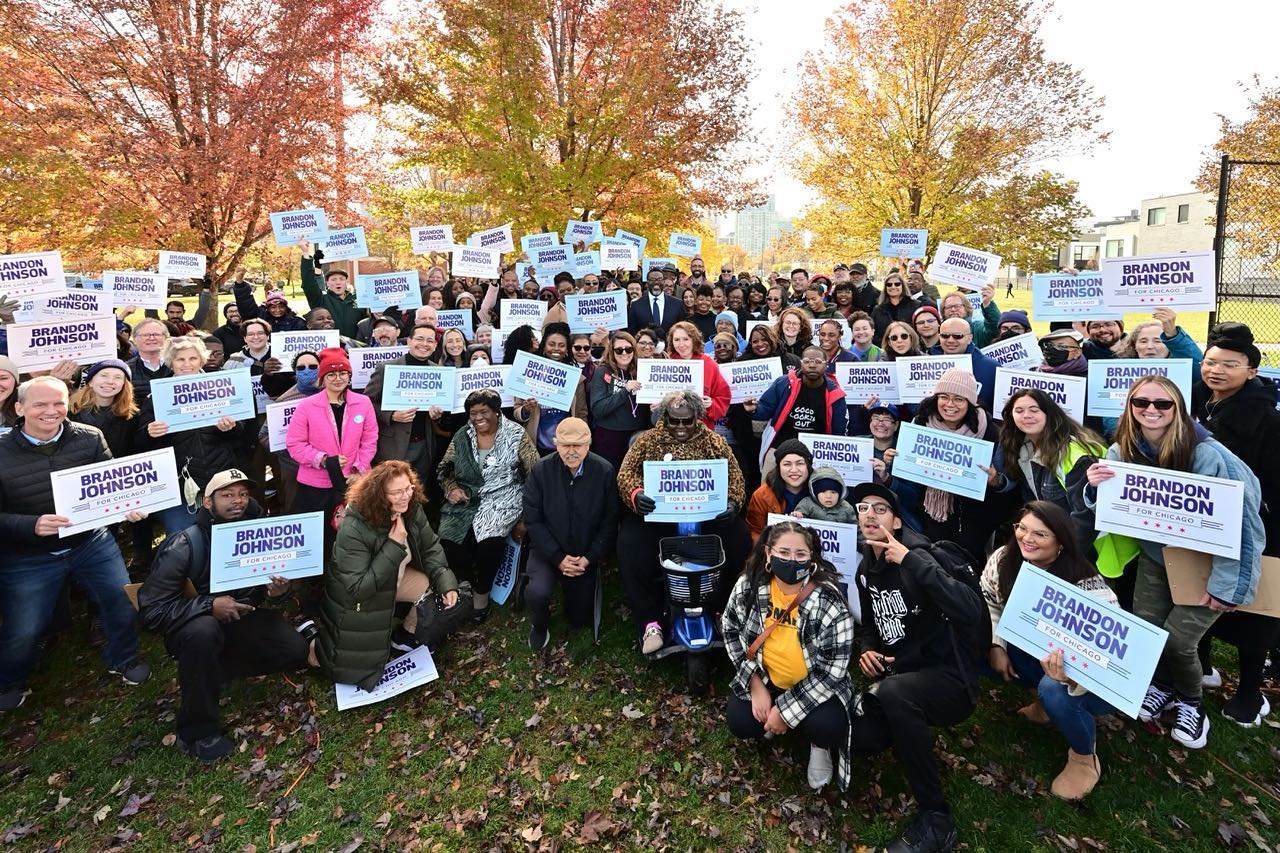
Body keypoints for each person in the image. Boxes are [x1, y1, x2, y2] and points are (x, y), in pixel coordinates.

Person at [1085, 376, 1264, 749]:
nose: (1151, 410)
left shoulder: (1209, 456)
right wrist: (1094, 487)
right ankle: (1164, 685)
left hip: (1208, 564)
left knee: (1180, 642)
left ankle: (1191, 702)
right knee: (1150, 632)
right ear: (1130, 408)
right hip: (1157, 559)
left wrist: (1229, 586)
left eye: (1162, 404)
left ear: (1178, 409)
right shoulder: (1123, 450)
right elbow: (1111, 509)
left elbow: (1245, 526)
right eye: (1141, 403)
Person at [0, 377, 151, 711]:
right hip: (27, 554)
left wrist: (127, 507)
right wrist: (31, 525)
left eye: (58, 403)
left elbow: (112, 483)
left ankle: (123, 658)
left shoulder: (89, 437)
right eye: (40, 404)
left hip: (89, 541)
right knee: (25, 627)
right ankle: (9, 680)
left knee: (119, 598)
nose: (51, 411)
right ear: (19, 408)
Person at [137, 469, 308, 762]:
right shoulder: (184, 545)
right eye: (227, 495)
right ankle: (197, 732)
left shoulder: (258, 531)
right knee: (203, 634)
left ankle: (215, 669)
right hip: (193, 626)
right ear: (207, 502)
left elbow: (261, 592)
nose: (237, 501)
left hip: (240, 620)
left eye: (242, 494)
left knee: (295, 650)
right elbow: (151, 612)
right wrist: (208, 606)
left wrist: (277, 593)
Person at [851, 481, 984, 853]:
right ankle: (907, 732)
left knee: (895, 693)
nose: (870, 515)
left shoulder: (921, 557)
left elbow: (970, 610)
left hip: (950, 680)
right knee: (863, 738)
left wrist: (912, 561)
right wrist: (868, 650)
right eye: (863, 508)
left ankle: (936, 819)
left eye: (880, 509)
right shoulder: (866, 569)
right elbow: (872, 627)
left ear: (896, 523)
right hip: (904, 676)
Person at [980, 501, 1118, 800]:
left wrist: (1071, 677)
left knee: (1054, 688)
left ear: (1060, 542)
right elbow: (989, 601)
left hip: (1086, 677)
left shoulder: (1087, 584)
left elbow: (1109, 657)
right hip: (1037, 655)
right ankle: (1045, 708)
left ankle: (1084, 756)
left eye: (1040, 535)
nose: (1027, 539)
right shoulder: (1004, 558)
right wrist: (996, 644)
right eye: (1022, 528)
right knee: (972, 643)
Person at [1191, 323, 1280, 727]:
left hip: (1257, 528)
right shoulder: (1191, 401)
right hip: (1198, 520)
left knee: (1255, 610)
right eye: (1210, 362)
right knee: (1199, 592)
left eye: (1230, 364)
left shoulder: (1268, 420)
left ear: (1251, 372)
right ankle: (1204, 666)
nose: (1216, 370)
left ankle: (1250, 690)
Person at [722, 521, 855, 791]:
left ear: (812, 558)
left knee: (829, 726)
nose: (791, 561)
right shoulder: (749, 585)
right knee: (740, 721)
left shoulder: (829, 599)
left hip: (816, 686)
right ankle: (771, 710)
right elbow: (729, 628)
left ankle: (818, 747)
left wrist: (786, 711)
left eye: (800, 555)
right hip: (767, 677)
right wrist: (755, 684)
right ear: (769, 554)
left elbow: (832, 671)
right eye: (783, 553)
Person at [615, 390, 748, 654]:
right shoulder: (647, 441)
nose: (680, 427)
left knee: (738, 539)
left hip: (706, 517)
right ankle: (650, 621)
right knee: (630, 544)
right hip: (659, 518)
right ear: (665, 417)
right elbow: (625, 474)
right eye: (674, 420)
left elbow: (736, 478)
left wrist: (732, 503)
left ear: (697, 418)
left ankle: (723, 610)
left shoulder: (714, 442)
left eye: (686, 421)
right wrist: (636, 494)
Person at [318, 460, 461, 688]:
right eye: (397, 492)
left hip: (395, 580)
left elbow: (430, 547)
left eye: (408, 488)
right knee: (337, 660)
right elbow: (358, 589)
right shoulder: (354, 526)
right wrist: (394, 544)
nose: (405, 496)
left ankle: (404, 636)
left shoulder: (411, 508)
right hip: (360, 599)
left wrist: (446, 582)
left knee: (428, 583)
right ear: (379, 494)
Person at [438, 389, 539, 623]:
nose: (478, 417)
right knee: (448, 542)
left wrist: (526, 515)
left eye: (484, 411)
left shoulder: (515, 434)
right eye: (473, 413)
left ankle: (481, 592)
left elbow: (535, 473)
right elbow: (444, 468)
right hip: (467, 497)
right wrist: (451, 489)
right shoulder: (462, 435)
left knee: (489, 543)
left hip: (504, 496)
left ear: (496, 411)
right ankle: (465, 582)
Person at [521, 418, 618, 649]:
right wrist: (557, 558)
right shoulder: (540, 470)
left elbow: (610, 521)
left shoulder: (604, 471)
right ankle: (539, 625)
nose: (571, 451)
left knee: (578, 620)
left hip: (584, 553)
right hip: (548, 550)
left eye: (578, 445)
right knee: (537, 592)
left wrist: (589, 558)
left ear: (589, 444)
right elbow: (533, 521)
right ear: (556, 444)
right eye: (566, 445)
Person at [141, 337, 246, 535]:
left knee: (225, 535)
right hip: (180, 481)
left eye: (193, 358)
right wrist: (150, 433)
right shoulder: (157, 396)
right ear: (171, 362)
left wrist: (231, 427)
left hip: (220, 473)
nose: (187, 364)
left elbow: (242, 433)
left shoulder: (222, 387)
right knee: (185, 541)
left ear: (202, 360)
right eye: (180, 359)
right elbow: (141, 442)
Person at [903, 369, 1009, 562]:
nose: (950, 404)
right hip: (928, 516)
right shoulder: (919, 423)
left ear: (970, 403)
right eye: (944, 397)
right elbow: (908, 478)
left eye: (959, 399)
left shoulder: (991, 432)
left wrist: (996, 481)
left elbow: (1009, 484)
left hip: (972, 523)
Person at [996, 389, 1106, 553]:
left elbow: (1085, 518)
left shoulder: (1075, 455)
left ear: (1049, 413)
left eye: (1034, 410)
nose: (1026, 415)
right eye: (1019, 411)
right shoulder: (1023, 447)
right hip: (1056, 537)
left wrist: (1064, 555)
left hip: (1092, 546)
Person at [285, 347, 378, 536]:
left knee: (354, 533)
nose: (338, 378)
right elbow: (295, 444)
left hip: (354, 481)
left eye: (343, 373)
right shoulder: (307, 406)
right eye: (331, 374)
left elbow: (370, 439)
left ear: (349, 376)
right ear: (322, 378)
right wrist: (323, 459)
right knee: (319, 534)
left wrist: (359, 469)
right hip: (317, 485)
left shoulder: (363, 402)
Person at [363, 324, 447, 486]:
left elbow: (440, 410)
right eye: (419, 339)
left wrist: (437, 416)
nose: (424, 344)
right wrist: (391, 415)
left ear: (435, 345)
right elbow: (366, 404)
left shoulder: (438, 371)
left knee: (418, 493)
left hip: (424, 446)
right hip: (393, 445)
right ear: (408, 341)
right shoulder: (386, 368)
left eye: (430, 340)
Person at [745, 346, 847, 465]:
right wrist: (754, 409)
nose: (812, 365)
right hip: (780, 447)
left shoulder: (835, 393)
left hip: (816, 453)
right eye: (807, 361)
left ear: (826, 365)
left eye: (818, 362)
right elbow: (766, 409)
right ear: (801, 363)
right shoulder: (783, 383)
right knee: (768, 477)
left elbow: (839, 431)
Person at [513, 322, 589, 455]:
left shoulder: (576, 379)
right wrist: (526, 409)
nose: (556, 349)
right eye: (551, 344)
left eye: (561, 345)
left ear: (567, 350)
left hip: (566, 446)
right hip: (536, 447)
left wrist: (582, 441)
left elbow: (581, 414)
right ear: (543, 347)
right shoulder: (527, 372)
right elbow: (517, 412)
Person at [589, 331, 648, 469]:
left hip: (636, 434)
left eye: (628, 349)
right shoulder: (603, 371)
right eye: (618, 350)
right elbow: (598, 409)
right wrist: (624, 391)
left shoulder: (643, 370)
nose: (624, 353)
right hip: (609, 436)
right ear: (612, 351)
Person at [68, 359, 139, 459]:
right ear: (91, 381)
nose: (110, 381)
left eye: (118, 377)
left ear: (124, 385)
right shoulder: (70, 411)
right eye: (104, 375)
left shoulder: (132, 416)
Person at [745, 439, 814, 542]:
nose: (794, 470)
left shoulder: (821, 493)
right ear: (779, 467)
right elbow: (755, 532)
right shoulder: (762, 495)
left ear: (808, 466)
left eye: (800, 463)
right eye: (787, 464)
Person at [665, 321, 731, 428]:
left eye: (686, 339)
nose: (681, 344)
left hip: (701, 428)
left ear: (694, 340)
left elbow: (723, 397)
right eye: (676, 340)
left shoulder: (709, 364)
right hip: (671, 427)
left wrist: (710, 404)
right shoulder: (666, 363)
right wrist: (657, 406)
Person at [298, 239, 367, 338]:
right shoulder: (321, 300)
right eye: (333, 280)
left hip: (354, 348)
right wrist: (305, 253)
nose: (338, 282)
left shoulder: (359, 301)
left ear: (346, 282)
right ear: (327, 283)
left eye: (341, 279)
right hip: (330, 347)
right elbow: (309, 284)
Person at [930, 318, 998, 411]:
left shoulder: (991, 368)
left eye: (958, 336)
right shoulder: (927, 363)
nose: (950, 340)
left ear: (970, 338)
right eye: (945, 336)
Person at [1115, 309, 1203, 374]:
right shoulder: (1120, 372)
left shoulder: (1182, 371)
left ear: (1170, 346)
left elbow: (1198, 367)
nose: (1150, 346)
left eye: (1158, 341)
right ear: (1134, 346)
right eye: (1143, 341)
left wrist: (1172, 333)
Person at [127, 317, 173, 401]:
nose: (151, 338)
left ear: (166, 338)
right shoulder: (126, 370)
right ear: (135, 339)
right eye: (145, 335)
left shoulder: (180, 366)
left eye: (156, 334)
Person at [793, 467, 857, 524]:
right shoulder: (807, 504)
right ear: (815, 493)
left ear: (840, 494)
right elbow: (794, 526)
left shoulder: (847, 508)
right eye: (823, 492)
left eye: (833, 492)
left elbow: (857, 529)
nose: (828, 496)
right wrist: (797, 516)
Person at [871, 272, 916, 344]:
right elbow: (873, 332)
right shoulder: (878, 310)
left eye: (897, 284)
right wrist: (888, 344)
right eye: (889, 285)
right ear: (885, 288)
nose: (893, 287)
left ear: (903, 286)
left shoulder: (915, 305)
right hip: (885, 350)